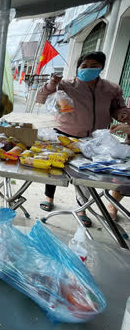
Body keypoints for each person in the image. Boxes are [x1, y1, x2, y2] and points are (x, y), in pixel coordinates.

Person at [36, 51, 130, 226]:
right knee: (55, 168)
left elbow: (118, 109)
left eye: (93, 66)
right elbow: (41, 99)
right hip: (65, 134)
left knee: (87, 174)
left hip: (94, 139)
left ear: (101, 67)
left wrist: (123, 115)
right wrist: (51, 84)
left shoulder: (112, 88)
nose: (88, 69)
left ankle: (82, 208)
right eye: (84, 66)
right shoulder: (66, 85)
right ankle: (49, 197)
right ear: (78, 67)